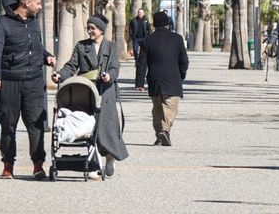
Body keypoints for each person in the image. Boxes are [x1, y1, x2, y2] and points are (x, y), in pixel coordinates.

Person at [0, 0, 55, 179]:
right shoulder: (2, 24)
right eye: (38, 3)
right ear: (26, 3)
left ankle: (38, 166)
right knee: (8, 124)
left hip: (33, 81)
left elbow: (36, 48)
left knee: (36, 124)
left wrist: (47, 57)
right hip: (10, 81)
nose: (40, 7)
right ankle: (8, 166)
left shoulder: (33, 23)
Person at [52, 14, 128, 177]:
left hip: (106, 93)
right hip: (87, 92)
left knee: (108, 129)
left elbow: (115, 67)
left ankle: (110, 158)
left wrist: (109, 76)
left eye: (93, 28)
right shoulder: (81, 46)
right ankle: (94, 165)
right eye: (88, 28)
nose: (89, 31)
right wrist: (60, 75)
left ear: (101, 30)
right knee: (92, 128)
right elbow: (71, 66)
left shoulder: (112, 47)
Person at [135, 11, 189, 146]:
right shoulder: (177, 39)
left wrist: (140, 82)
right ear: (168, 24)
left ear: (154, 24)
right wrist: (180, 75)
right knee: (170, 107)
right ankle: (165, 131)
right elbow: (184, 61)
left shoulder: (147, 40)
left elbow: (141, 64)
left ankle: (160, 135)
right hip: (172, 79)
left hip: (154, 79)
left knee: (157, 108)